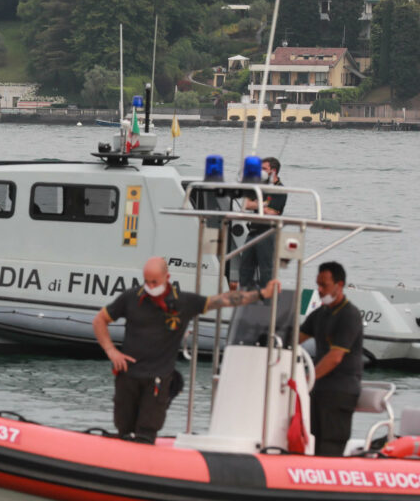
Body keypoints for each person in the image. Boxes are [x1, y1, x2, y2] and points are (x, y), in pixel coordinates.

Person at [93, 256, 279, 444]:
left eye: (155, 281)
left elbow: (223, 300)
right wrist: (110, 350)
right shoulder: (131, 298)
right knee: (123, 427)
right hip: (128, 375)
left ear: (167, 277)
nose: (150, 286)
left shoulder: (183, 303)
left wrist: (262, 294)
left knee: (146, 432)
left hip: (157, 378)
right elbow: (100, 319)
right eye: (147, 281)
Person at [298, 261, 364, 457]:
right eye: (318, 284)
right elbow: (295, 338)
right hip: (318, 392)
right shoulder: (319, 315)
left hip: (340, 392)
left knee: (328, 448)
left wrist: (306, 379)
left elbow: (335, 357)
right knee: (311, 442)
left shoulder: (349, 315)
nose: (319, 290)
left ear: (339, 285)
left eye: (324, 285)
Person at [237, 156, 287, 290]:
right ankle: (245, 298)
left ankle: (268, 302)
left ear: (273, 171)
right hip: (253, 232)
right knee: (245, 268)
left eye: (264, 169)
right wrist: (263, 204)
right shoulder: (259, 187)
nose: (261, 172)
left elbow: (272, 212)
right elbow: (246, 204)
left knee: (266, 271)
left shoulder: (279, 189)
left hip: (268, 233)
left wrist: (259, 205)